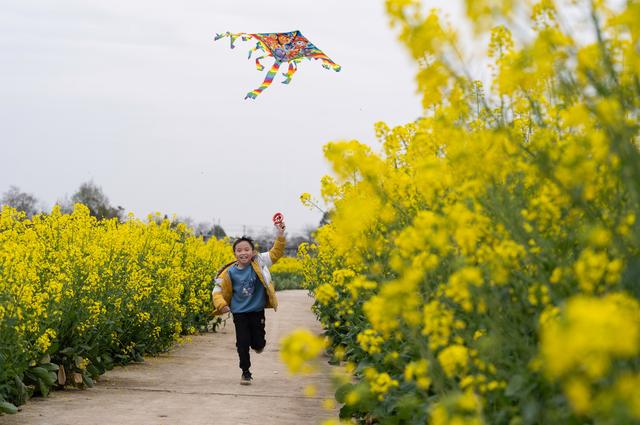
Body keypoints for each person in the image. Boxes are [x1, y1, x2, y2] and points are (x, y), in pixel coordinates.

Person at [212, 219, 285, 385]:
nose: (243, 253)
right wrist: (221, 305)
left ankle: (258, 345)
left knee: (258, 343)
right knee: (242, 343)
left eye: (246, 249)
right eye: (239, 250)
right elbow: (216, 291)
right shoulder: (227, 273)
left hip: (257, 311)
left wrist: (280, 234)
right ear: (235, 254)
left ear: (253, 252)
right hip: (239, 313)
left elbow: (276, 253)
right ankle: (245, 372)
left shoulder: (259, 262)